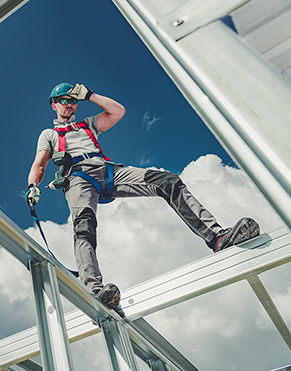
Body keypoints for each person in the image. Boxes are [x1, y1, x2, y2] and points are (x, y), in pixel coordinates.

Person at [26, 82, 260, 313]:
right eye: (64, 101)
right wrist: (32, 186)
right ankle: (94, 287)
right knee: (84, 224)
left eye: (73, 101)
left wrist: (90, 94)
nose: (69, 104)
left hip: (109, 172)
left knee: (167, 181)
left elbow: (117, 111)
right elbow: (40, 164)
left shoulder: (88, 125)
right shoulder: (50, 134)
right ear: (54, 105)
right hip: (78, 178)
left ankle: (217, 238)